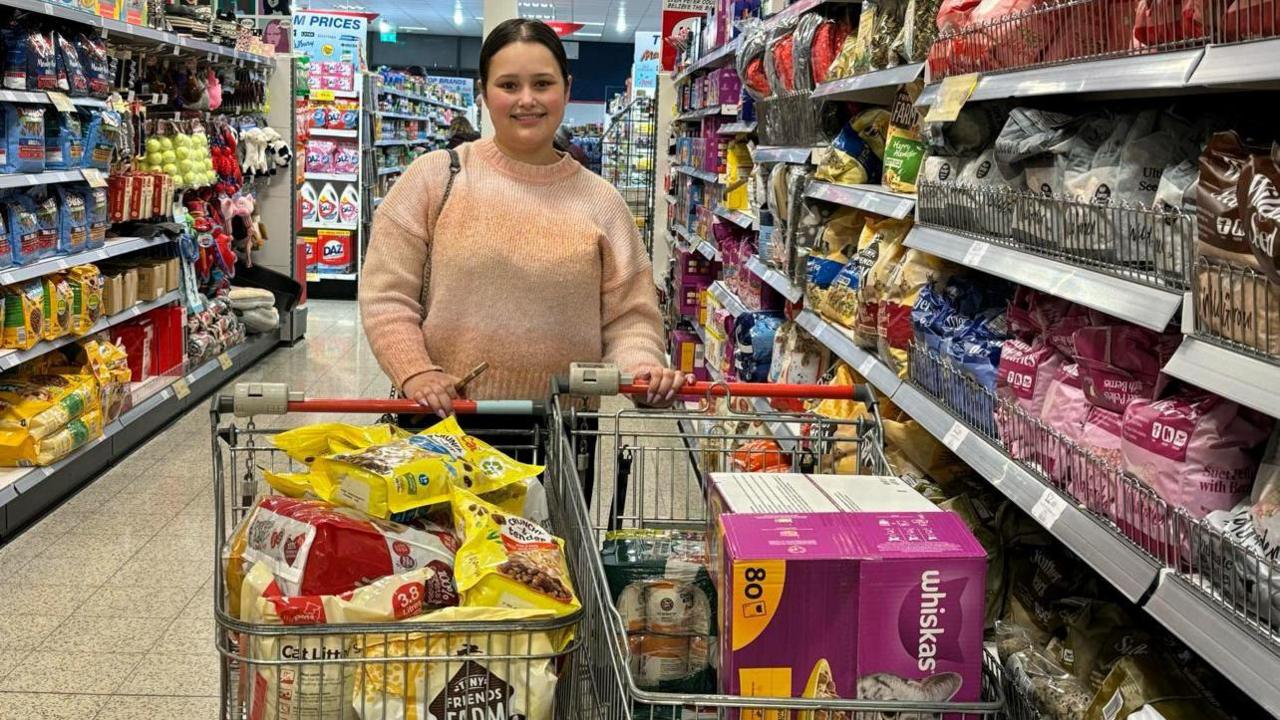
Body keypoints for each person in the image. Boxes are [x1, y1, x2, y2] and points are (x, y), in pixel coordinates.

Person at [360, 18, 690, 422]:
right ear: (483, 93)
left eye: (542, 84)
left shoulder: (602, 201)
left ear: (566, 90)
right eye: (509, 85)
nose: (527, 99)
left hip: (564, 433)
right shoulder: (434, 177)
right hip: (443, 421)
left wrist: (642, 373)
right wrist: (416, 370)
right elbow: (386, 294)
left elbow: (629, 317)